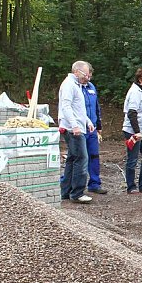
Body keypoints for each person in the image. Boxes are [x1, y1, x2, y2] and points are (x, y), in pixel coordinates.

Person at [59, 60, 95, 203]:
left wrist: (87, 121)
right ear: (76, 71)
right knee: (82, 158)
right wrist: (75, 126)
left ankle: (65, 191)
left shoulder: (77, 85)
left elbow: (78, 108)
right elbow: (66, 106)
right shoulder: (69, 85)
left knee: (72, 159)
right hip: (73, 129)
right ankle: (77, 193)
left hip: (78, 126)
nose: (87, 77)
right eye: (85, 74)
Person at [81, 63, 106, 195]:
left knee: (94, 156)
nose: (89, 76)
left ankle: (95, 184)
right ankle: (70, 184)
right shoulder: (76, 88)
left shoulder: (91, 87)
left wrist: (99, 126)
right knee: (79, 157)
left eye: (90, 74)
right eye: (87, 74)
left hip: (93, 128)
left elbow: (96, 107)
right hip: (80, 127)